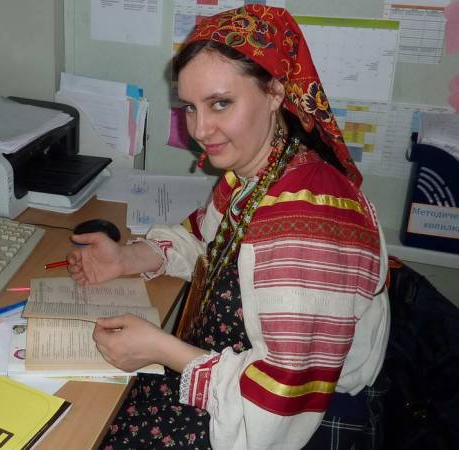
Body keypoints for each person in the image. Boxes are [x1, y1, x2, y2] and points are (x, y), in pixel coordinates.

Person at [67, 5, 390, 450]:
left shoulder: (307, 226)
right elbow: (209, 240)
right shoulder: (261, 170)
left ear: (275, 92)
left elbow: (275, 408)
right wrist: (128, 258)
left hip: (282, 424)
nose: (201, 129)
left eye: (220, 103)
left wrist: (162, 349)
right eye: (191, 107)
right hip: (228, 381)